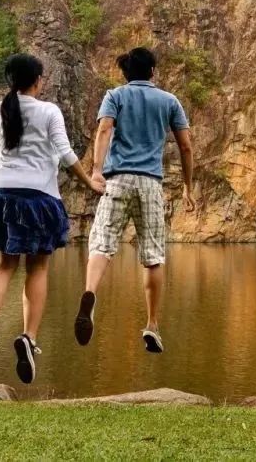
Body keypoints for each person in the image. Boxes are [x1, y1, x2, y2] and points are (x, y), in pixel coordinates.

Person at [0, 53, 103, 384]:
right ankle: (28, 338)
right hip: (39, 198)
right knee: (38, 269)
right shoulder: (49, 111)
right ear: (37, 80)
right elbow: (66, 154)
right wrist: (90, 182)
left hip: (0, 195)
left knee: (3, 266)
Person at [74, 47, 195, 354]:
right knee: (153, 255)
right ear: (152, 71)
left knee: (101, 244)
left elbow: (104, 129)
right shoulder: (169, 101)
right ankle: (152, 324)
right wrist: (187, 186)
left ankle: (90, 293)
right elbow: (186, 147)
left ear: (126, 72)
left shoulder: (115, 96)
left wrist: (97, 170)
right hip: (150, 184)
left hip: (117, 180)